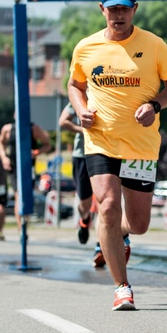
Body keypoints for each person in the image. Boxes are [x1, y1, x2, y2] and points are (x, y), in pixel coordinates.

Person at [68, 0, 167, 311]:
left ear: (135, 9)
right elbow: (74, 85)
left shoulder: (154, 45)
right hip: (100, 142)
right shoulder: (86, 47)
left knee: (139, 224)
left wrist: (155, 106)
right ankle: (122, 286)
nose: (118, 15)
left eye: (124, 9)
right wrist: (80, 110)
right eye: (112, 9)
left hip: (140, 146)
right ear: (101, 9)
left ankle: (118, 233)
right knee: (105, 205)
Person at [0, 112, 52, 238]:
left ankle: (24, 224)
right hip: (14, 166)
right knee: (18, 196)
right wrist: (4, 157)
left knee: (26, 196)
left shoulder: (33, 128)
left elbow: (47, 144)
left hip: (28, 167)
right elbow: (0, 143)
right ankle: (21, 228)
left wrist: (36, 152)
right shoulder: (8, 129)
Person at [58, 103, 94, 245]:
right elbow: (63, 121)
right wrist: (82, 130)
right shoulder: (82, 95)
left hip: (108, 152)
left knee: (107, 201)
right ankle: (85, 219)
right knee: (85, 203)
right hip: (82, 155)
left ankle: (105, 245)